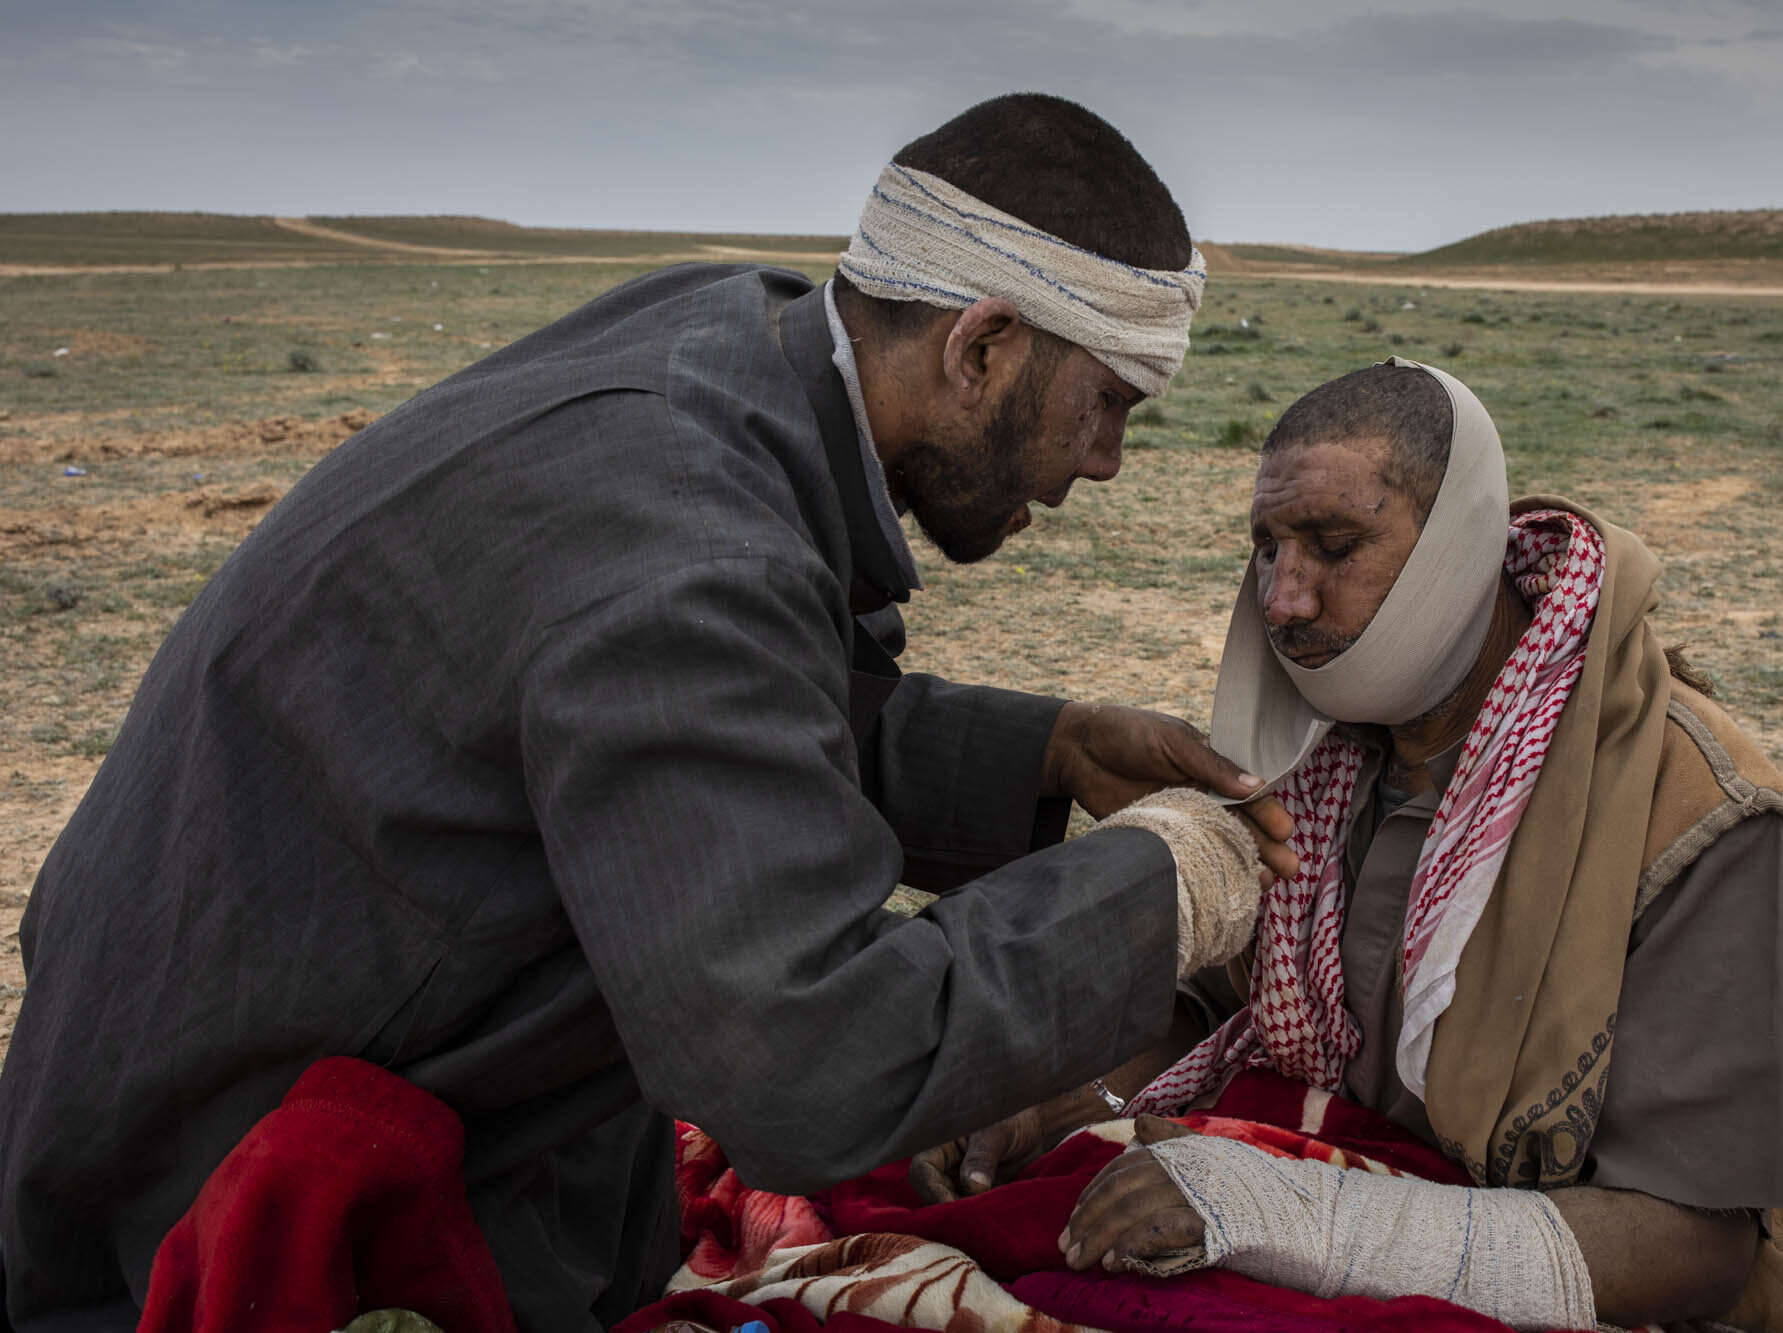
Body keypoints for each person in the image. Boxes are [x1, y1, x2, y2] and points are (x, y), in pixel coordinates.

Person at [0, 94, 1296, 1332]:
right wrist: (1168, 887)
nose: (1107, 462)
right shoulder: (685, 547)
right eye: (1108, 403)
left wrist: (1052, 746)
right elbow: (810, 1063)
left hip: (237, 1060)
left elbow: (703, 716)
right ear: (983, 347)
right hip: (215, 1215)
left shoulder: (723, 347)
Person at [919, 359, 1783, 1331]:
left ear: (1461, 547)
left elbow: (1693, 1250)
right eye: (1266, 549)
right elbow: (1228, 1004)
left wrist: (1292, 1213)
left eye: (1333, 546)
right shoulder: (1312, 743)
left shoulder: (1690, 812)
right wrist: (1070, 1099)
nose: (1282, 600)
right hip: (1330, 1166)